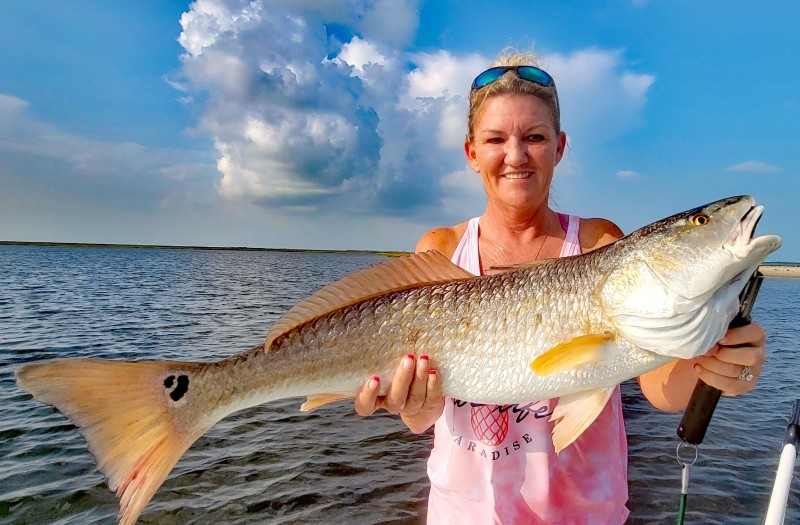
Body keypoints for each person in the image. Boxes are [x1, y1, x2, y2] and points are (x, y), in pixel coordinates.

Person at [354, 51, 767, 524]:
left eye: (534, 137)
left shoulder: (599, 244)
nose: (515, 155)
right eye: (495, 139)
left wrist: (720, 367)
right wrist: (408, 402)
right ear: (471, 152)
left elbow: (660, 387)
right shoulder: (440, 248)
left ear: (559, 147)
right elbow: (421, 418)